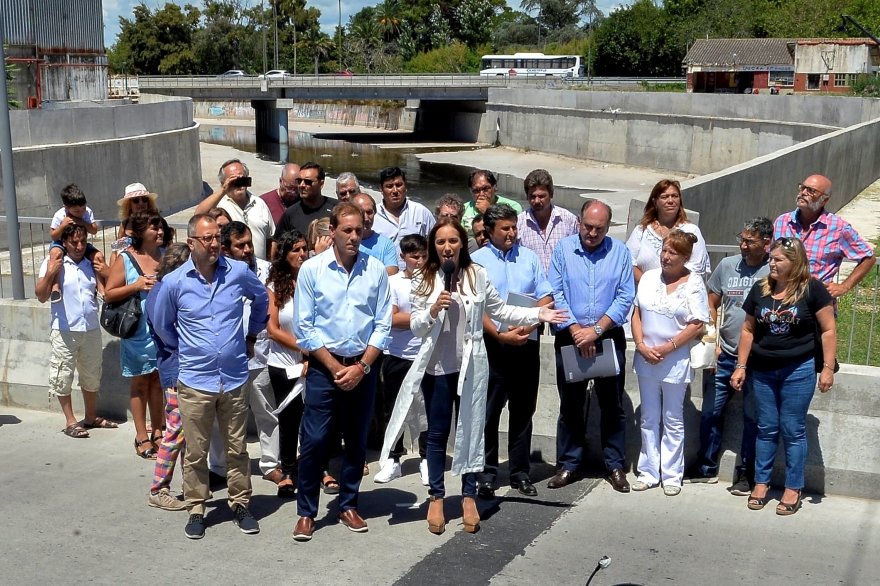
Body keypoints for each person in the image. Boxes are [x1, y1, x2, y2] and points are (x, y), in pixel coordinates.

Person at [382, 218, 567, 535]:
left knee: (470, 433)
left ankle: (468, 496)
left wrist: (539, 313)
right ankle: (437, 497)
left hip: (471, 367)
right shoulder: (424, 278)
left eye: (452, 240)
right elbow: (415, 326)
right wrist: (432, 310)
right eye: (440, 242)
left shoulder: (476, 274)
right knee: (439, 434)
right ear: (433, 246)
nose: (447, 247)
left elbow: (502, 311)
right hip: (438, 369)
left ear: (462, 244)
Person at [152, 213, 269, 540]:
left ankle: (240, 503)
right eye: (208, 238)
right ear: (191, 243)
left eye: (217, 237)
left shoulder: (239, 272)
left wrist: (250, 336)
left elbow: (261, 300)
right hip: (196, 381)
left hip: (233, 379)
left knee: (237, 448)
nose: (215, 243)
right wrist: (189, 350)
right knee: (196, 451)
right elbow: (162, 325)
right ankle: (197, 508)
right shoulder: (175, 282)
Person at [291, 202, 392, 542]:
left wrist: (362, 367)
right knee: (316, 439)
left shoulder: (375, 270)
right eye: (346, 230)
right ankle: (307, 511)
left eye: (358, 230)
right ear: (331, 231)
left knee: (357, 441)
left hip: (363, 367)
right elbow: (305, 329)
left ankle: (349, 503)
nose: (353, 236)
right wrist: (336, 368)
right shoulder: (312, 270)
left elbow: (383, 325)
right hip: (325, 367)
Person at [732, 237, 836, 516]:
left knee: (792, 428)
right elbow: (748, 330)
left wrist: (827, 368)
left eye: (778, 259)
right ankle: (761, 483)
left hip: (798, 370)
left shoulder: (812, 290)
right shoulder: (761, 289)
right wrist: (741, 366)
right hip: (763, 370)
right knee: (766, 427)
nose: (772, 263)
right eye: (772, 258)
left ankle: (793, 488)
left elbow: (828, 329)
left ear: (795, 262)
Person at [548, 199, 635, 493]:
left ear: (608, 227)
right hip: (569, 335)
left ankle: (614, 465)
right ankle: (569, 465)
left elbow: (625, 297)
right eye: (588, 226)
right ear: (579, 223)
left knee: (612, 406)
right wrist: (576, 331)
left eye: (599, 228)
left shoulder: (620, 252)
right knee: (570, 405)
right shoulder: (563, 250)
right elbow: (555, 292)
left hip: (608, 335)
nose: (592, 233)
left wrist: (595, 332)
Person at [471, 204, 553, 499]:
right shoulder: (476, 261)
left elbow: (545, 296)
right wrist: (501, 334)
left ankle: (520, 472)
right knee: (488, 413)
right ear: (490, 230)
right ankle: (487, 473)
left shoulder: (529, 258)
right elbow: (474, 306)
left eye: (514, 227)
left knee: (522, 411)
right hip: (492, 345)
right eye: (505, 228)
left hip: (525, 344)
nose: (511, 233)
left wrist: (528, 328)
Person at [687, 218, 772, 493]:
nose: (743, 245)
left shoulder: (774, 269)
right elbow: (711, 302)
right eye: (742, 239)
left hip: (758, 360)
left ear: (766, 243)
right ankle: (706, 466)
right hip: (723, 355)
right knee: (710, 411)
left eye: (750, 241)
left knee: (752, 418)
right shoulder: (727, 266)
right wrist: (714, 339)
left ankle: (746, 473)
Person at [630, 231, 710, 496]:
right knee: (649, 417)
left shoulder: (694, 282)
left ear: (685, 257)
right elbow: (637, 313)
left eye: (673, 253)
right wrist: (641, 346)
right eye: (664, 251)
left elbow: (698, 323)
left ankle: (672, 475)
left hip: (674, 360)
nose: (665, 257)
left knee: (673, 418)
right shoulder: (649, 277)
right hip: (646, 358)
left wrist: (669, 347)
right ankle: (649, 471)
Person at [216, 222, 282, 487]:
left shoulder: (268, 270)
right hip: (226, 356)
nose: (246, 250)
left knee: (266, 411)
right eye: (239, 245)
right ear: (225, 249)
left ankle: (270, 464)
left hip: (260, 353)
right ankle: (219, 466)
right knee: (223, 415)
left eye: (249, 244)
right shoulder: (216, 272)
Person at [35, 224, 116, 438]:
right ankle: (70, 420)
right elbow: (41, 296)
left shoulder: (92, 263)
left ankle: (91, 416)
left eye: (83, 242)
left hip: (90, 328)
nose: (79, 246)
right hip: (64, 329)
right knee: (63, 375)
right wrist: (51, 272)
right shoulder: (54, 262)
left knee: (91, 375)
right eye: (74, 242)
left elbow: (107, 291)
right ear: (64, 243)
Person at [104, 210, 164, 460]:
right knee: (140, 383)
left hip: (162, 332)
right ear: (140, 232)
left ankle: (159, 431)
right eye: (154, 228)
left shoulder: (166, 256)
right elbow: (109, 293)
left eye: (160, 227)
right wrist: (137, 285)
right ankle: (141, 435)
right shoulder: (125, 259)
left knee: (159, 382)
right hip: (137, 332)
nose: (160, 231)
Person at [374, 234, 429, 485]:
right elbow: (391, 320)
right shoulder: (393, 282)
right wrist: (424, 318)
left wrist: (416, 319)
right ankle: (393, 460)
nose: (419, 261)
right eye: (414, 256)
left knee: (426, 410)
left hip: (426, 355)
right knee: (394, 409)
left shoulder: (433, 281)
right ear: (403, 257)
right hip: (397, 355)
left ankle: (427, 458)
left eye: (423, 256)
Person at [773, 174, 875, 298]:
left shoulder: (838, 228)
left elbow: (868, 257)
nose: (803, 193)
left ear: (824, 199)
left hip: (816, 306)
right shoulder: (781, 222)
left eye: (811, 191)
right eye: (802, 187)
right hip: (781, 302)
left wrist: (844, 286)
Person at [145, 243, 192, 511]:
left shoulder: (166, 289)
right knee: (176, 430)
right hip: (176, 369)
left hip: (182, 368)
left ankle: (191, 484)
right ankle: (159, 488)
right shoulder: (162, 292)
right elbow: (167, 333)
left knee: (188, 430)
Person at [266, 230, 310, 498]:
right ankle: (289, 471)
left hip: (313, 363)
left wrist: (312, 357)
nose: (302, 254)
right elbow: (272, 329)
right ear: (284, 255)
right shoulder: (274, 288)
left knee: (315, 419)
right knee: (289, 418)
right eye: (295, 250)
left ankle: (319, 468)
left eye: (305, 248)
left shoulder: (314, 283)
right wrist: (304, 350)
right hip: (283, 364)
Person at [626, 179, 711, 285]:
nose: (670, 201)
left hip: (679, 295)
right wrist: (649, 285)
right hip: (646, 294)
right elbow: (628, 262)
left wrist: (669, 288)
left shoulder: (691, 230)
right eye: (665, 197)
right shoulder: (641, 231)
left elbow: (696, 267)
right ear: (654, 201)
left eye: (675, 196)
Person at [196, 159, 276, 260]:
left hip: (258, 269)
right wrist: (224, 190)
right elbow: (198, 216)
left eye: (242, 179)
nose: (239, 184)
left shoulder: (259, 203)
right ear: (223, 182)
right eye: (233, 180)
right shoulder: (218, 204)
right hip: (231, 268)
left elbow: (270, 239)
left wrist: (270, 265)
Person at [516, 169, 580, 274]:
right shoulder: (519, 224)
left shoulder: (568, 220)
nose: (536, 201)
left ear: (551, 194)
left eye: (541, 196)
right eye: (532, 196)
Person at [371, 166, 435, 269]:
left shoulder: (421, 212)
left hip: (418, 275)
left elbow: (435, 243)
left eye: (399, 185)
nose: (395, 190)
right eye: (389, 186)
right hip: (385, 277)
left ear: (406, 186)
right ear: (381, 189)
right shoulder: (373, 216)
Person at [274, 162, 335, 240]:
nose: (302, 185)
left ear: (321, 184)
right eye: (299, 181)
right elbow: (277, 244)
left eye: (308, 182)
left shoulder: (336, 209)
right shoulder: (290, 214)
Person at [112, 182, 161, 264]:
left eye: (144, 199)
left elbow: (169, 247)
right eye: (136, 200)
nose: (141, 203)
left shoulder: (158, 221)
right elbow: (115, 251)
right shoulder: (124, 225)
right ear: (129, 205)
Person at [352, 193, 399, 275]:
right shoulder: (344, 242)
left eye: (369, 212)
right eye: (361, 213)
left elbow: (392, 274)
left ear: (375, 212)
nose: (366, 218)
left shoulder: (387, 245)